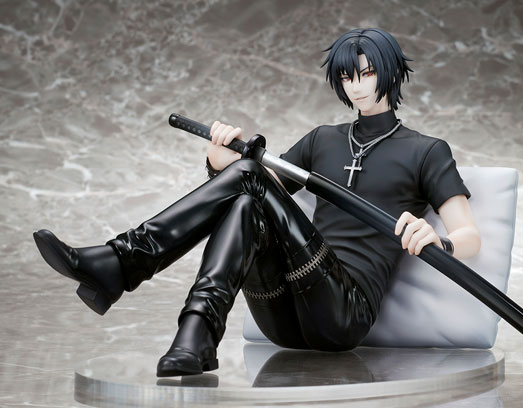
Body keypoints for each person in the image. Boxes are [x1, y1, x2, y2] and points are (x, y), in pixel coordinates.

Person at [32, 28, 481, 377]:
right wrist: (218, 162)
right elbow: (253, 193)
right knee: (247, 201)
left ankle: (125, 265)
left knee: (249, 179)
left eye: (367, 73)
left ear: (391, 71)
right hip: (280, 314)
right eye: (347, 76)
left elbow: (470, 236)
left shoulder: (426, 151)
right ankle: (196, 336)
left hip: (342, 315)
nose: (357, 86)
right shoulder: (322, 140)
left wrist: (437, 241)